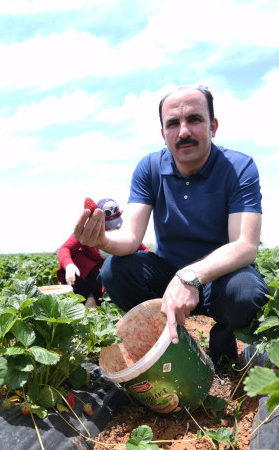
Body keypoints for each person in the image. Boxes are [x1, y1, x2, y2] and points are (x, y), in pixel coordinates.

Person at [74, 85, 268, 370]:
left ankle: (224, 348)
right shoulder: (150, 168)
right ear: (163, 133)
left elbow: (245, 245)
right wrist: (101, 239)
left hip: (220, 278)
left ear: (213, 126)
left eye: (194, 119)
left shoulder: (238, 167)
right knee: (115, 270)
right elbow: (129, 238)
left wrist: (190, 277)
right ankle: (169, 345)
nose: (184, 131)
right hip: (166, 277)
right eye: (173, 124)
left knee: (246, 291)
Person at [57, 199, 149, 308]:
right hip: (94, 276)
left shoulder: (123, 231)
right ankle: (88, 297)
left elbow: (145, 251)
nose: (114, 227)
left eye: (116, 222)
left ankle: (106, 297)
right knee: (75, 257)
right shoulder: (88, 231)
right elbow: (64, 249)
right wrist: (69, 265)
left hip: (114, 275)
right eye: (109, 224)